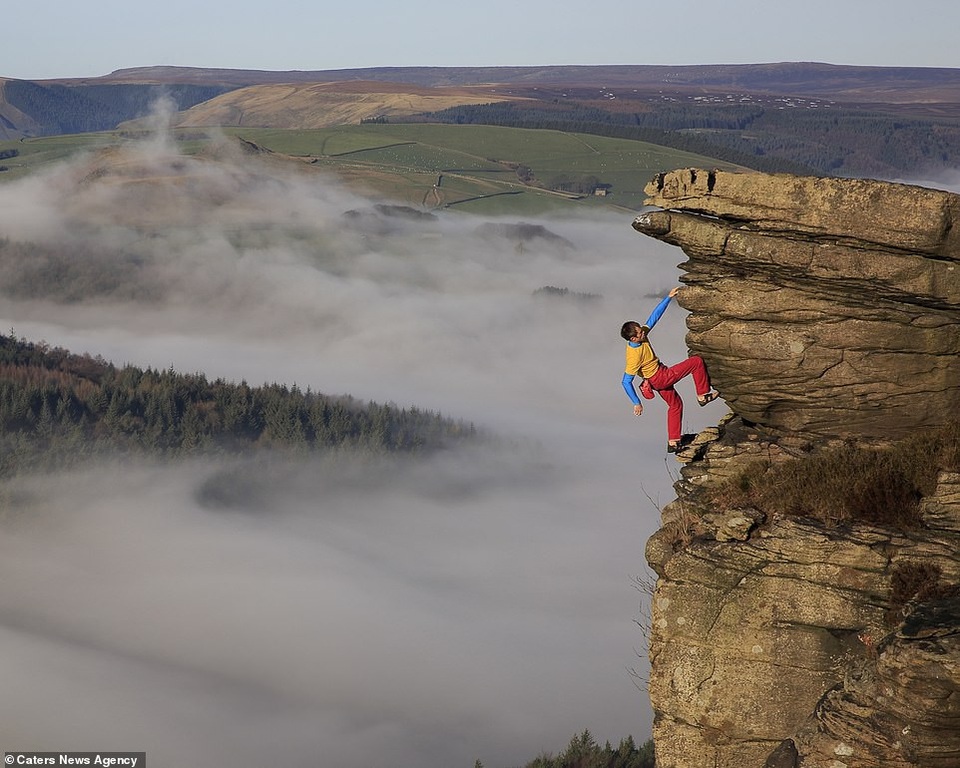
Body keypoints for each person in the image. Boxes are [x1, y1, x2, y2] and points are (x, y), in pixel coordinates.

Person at [620, 287, 719, 453]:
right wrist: (636, 403)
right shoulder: (633, 356)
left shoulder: (640, 337)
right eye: (639, 332)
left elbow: (653, 318)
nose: (643, 332)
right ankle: (703, 395)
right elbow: (625, 381)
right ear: (633, 338)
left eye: (641, 330)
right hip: (660, 377)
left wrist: (668, 297)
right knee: (696, 362)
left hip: (656, 380)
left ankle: (673, 442)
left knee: (675, 405)